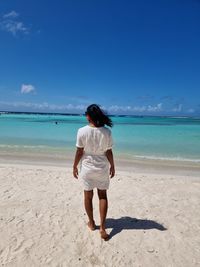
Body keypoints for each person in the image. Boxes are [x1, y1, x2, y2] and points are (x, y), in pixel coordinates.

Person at [73, 104, 115, 241]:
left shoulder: (81, 131)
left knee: (88, 196)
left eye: (86, 114)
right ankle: (102, 227)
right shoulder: (107, 131)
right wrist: (113, 166)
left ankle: (91, 223)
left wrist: (74, 166)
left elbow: (79, 151)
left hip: (87, 168)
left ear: (88, 116)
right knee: (102, 196)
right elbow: (108, 151)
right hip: (102, 167)